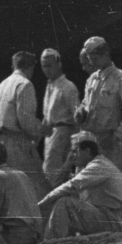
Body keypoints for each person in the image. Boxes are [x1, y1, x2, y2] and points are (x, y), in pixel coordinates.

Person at [38, 134, 122, 239]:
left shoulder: (99, 166)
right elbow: (56, 185)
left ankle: (50, 243)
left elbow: (70, 186)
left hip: (112, 221)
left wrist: (41, 205)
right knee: (63, 200)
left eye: (75, 151)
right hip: (103, 217)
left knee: (65, 203)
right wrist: (68, 163)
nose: (71, 155)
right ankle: (57, 242)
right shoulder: (86, 167)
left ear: (87, 151)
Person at [0, 51, 48, 194]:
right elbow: (25, 121)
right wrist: (41, 130)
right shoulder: (25, 85)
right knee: (35, 188)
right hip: (17, 143)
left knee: (9, 190)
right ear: (31, 67)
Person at [74, 36, 122, 168]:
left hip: (110, 145)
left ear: (105, 55)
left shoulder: (121, 79)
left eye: (95, 59)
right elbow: (86, 103)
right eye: (89, 59)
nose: (92, 63)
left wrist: (117, 137)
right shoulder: (92, 79)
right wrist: (81, 111)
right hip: (91, 142)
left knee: (108, 183)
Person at [39, 48, 81, 187]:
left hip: (64, 133)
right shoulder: (49, 85)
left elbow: (77, 116)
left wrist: (75, 143)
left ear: (59, 64)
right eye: (44, 66)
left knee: (55, 174)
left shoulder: (68, 87)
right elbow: (47, 115)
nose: (46, 69)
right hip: (50, 135)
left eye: (49, 65)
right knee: (51, 173)